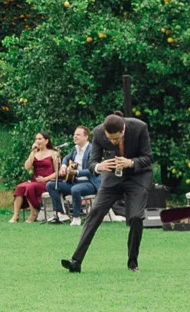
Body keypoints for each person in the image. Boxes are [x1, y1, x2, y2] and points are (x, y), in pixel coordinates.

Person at [63, 112, 156, 274]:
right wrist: (100, 167)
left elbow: (148, 158)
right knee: (95, 213)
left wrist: (131, 162)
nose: (113, 142)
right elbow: (92, 162)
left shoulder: (139, 127)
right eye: (110, 139)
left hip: (138, 177)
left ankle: (132, 263)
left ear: (124, 130)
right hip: (112, 176)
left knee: (135, 217)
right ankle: (76, 261)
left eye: (116, 139)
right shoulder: (98, 132)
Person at [49, 126, 98, 223]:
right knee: (51, 185)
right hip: (74, 182)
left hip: (90, 183)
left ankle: (76, 217)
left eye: (78, 135)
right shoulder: (75, 149)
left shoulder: (92, 150)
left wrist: (76, 172)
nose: (75, 137)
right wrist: (63, 166)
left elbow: (94, 169)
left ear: (86, 137)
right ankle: (61, 213)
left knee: (75, 189)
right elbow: (66, 158)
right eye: (74, 134)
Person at [11, 132, 59, 224]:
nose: (37, 141)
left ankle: (33, 214)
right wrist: (32, 152)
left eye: (40, 139)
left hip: (47, 182)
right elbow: (27, 167)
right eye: (36, 139)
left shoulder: (53, 153)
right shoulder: (35, 153)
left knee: (30, 187)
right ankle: (16, 215)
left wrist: (45, 179)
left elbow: (58, 172)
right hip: (35, 180)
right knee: (20, 187)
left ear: (46, 141)